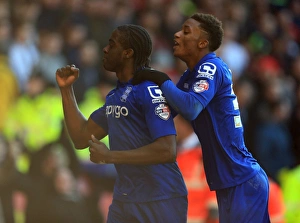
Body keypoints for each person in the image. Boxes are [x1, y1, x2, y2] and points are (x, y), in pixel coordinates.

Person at [132, 13, 270, 222]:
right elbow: (167, 113)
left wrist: (160, 78)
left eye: (186, 31)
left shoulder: (211, 66)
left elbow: (191, 107)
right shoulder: (191, 76)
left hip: (242, 181)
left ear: (203, 43)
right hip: (230, 183)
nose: (177, 35)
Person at [55, 24, 188, 223]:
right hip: (125, 198)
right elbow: (81, 137)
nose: (105, 49)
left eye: (112, 44)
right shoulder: (115, 96)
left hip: (160, 198)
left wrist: (110, 156)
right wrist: (66, 90)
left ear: (127, 53)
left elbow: (166, 150)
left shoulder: (149, 91)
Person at [174, 115, 219, 223]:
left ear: (182, 125)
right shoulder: (178, 151)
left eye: (173, 123)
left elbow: (214, 199)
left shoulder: (205, 153)